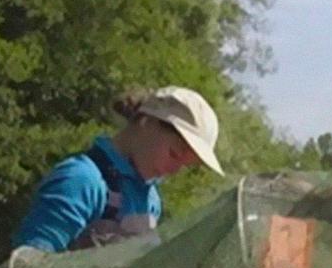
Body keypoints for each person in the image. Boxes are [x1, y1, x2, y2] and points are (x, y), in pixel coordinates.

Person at [13, 85, 223, 252]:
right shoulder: (82, 180)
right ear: (146, 122)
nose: (175, 170)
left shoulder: (152, 200)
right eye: (174, 154)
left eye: (185, 165)